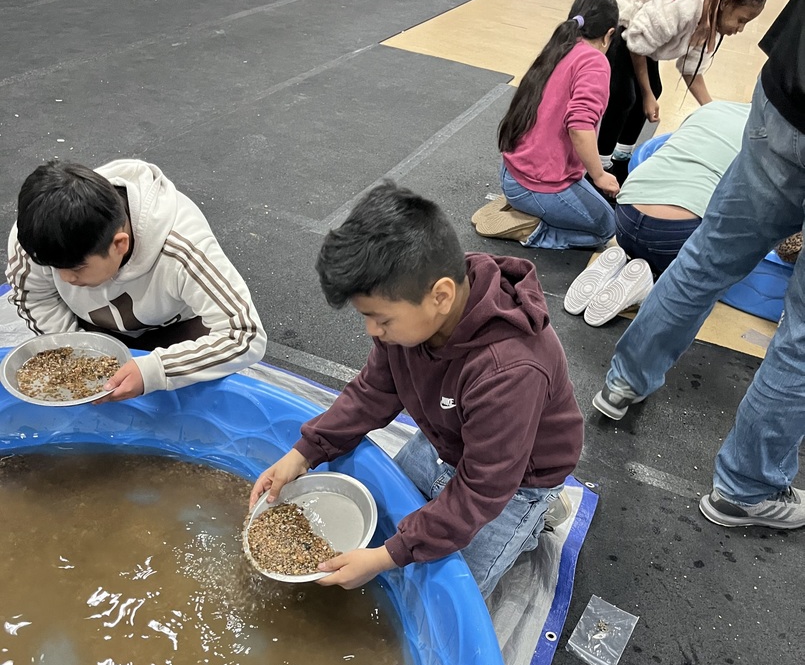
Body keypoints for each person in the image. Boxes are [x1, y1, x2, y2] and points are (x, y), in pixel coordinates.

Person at [248, 182, 583, 597]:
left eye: (381, 319)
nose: (373, 331)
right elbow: (373, 391)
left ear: (440, 295)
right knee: (395, 528)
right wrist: (304, 453)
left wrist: (388, 556)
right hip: (448, 438)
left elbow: (481, 490)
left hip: (516, 480)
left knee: (445, 585)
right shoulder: (415, 315)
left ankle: (535, 514)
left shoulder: (508, 371)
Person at [593, 0, 805, 532]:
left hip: (784, 96)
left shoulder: (714, 115)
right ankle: (747, 489)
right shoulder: (677, 19)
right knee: (800, 336)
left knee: (704, 260)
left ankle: (623, 382)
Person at [5, 159, 267, 401]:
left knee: (184, 396)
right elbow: (37, 296)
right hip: (92, 328)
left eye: (77, 268)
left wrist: (156, 371)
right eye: (53, 267)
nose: (64, 279)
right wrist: (78, 351)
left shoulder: (183, 247)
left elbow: (246, 334)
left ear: (120, 244)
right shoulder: (38, 238)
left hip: (176, 331)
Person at [564, 100, 749, 324]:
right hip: (675, 237)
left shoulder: (713, 107)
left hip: (625, 217)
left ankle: (627, 265)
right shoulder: (771, 139)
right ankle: (648, 286)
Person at [598, 0, 767, 173]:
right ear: (725, 4)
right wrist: (647, 94)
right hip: (618, 15)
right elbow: (637, 44)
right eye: (741, 20)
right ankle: (600, 167)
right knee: (624, 96)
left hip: (643, 33)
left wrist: (713, 111)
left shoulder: (709, 19)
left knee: (653, 89)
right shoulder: (681, 7)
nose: (740, 29)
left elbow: (691, 70)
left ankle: (622, 157)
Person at [482, 0, 620, 250]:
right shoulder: (595, 61)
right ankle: (535, 230)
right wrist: (599, 175)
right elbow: (580, 126)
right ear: (609, 34)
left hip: (512, 171)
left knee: (588, 197)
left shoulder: (558, 48)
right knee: (607, 228)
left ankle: (526, 206)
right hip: (534, 184)